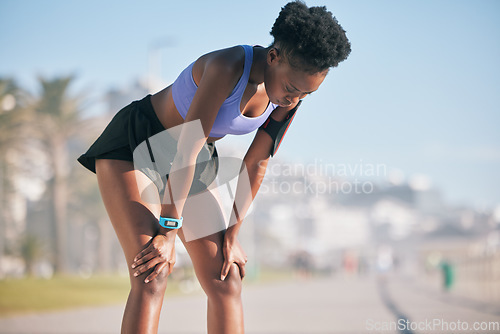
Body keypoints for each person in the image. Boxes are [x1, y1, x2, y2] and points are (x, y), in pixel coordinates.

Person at [77, 1, 351, 333]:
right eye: (292, 89)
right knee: (153, 272)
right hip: (138, 143)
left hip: (192, 160)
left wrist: (232, 236)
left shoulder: (288, 100)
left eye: (306, 94)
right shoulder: (227, 66)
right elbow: (187, 147)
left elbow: (256, 163)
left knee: (227, 277)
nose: (293, 100)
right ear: (274, 57)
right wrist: (167, 233)